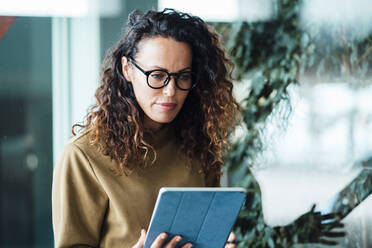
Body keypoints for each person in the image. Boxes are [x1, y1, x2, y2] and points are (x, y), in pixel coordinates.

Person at [52, 8, 241, 248]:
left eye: (183, 76)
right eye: (157, 75)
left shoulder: (199, 144)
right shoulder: (83, 156)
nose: (171, 91)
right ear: (127, 69)